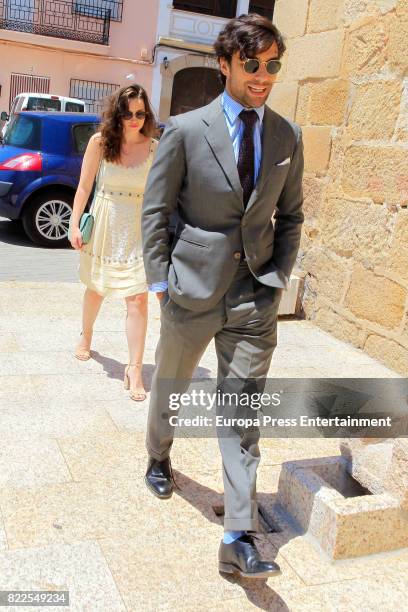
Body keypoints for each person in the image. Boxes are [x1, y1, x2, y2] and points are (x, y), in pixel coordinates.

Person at [142, 14, 304, 577]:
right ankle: (159, 452)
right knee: (173, 387)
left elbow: (292, 216)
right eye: (253, 64)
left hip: (253, 299)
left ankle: (238, 534)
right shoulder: (186, 130)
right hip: (190, 292)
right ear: (226, 64)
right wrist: (161, 283)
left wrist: (277, 277)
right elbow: (156, 211)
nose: (264, 76)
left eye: (273, 65)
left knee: (241, 414)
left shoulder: (287, 136)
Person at [70, 84, 157, 401]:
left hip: (137, 229)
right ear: (116, 113)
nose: (134, 119)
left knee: (138, 299)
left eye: (140, 113)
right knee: (96, 288)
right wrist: (74, 223)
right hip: (105, 221)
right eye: (127, 113)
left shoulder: (154, 149)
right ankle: (87, 335)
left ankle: (134, 368)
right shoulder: (100, 143)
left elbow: (161, 197)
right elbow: (83, 188)